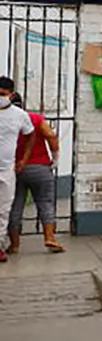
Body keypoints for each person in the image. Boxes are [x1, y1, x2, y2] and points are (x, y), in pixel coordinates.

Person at [7, 92, 64, 254]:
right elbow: (50, 135)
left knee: (15, 206)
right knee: (45, 202)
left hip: (15, 169)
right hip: (40, 167)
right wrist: (55, 157)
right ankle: (50, 237)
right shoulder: (34, 118)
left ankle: (14, 244)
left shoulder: (4, 119)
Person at [0, 76, 34, 263]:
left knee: (4, 209)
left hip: (6, 169)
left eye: (3, 94)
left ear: (11, 95)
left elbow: (30, 136)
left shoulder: (19, 115)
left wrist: (24, 159)